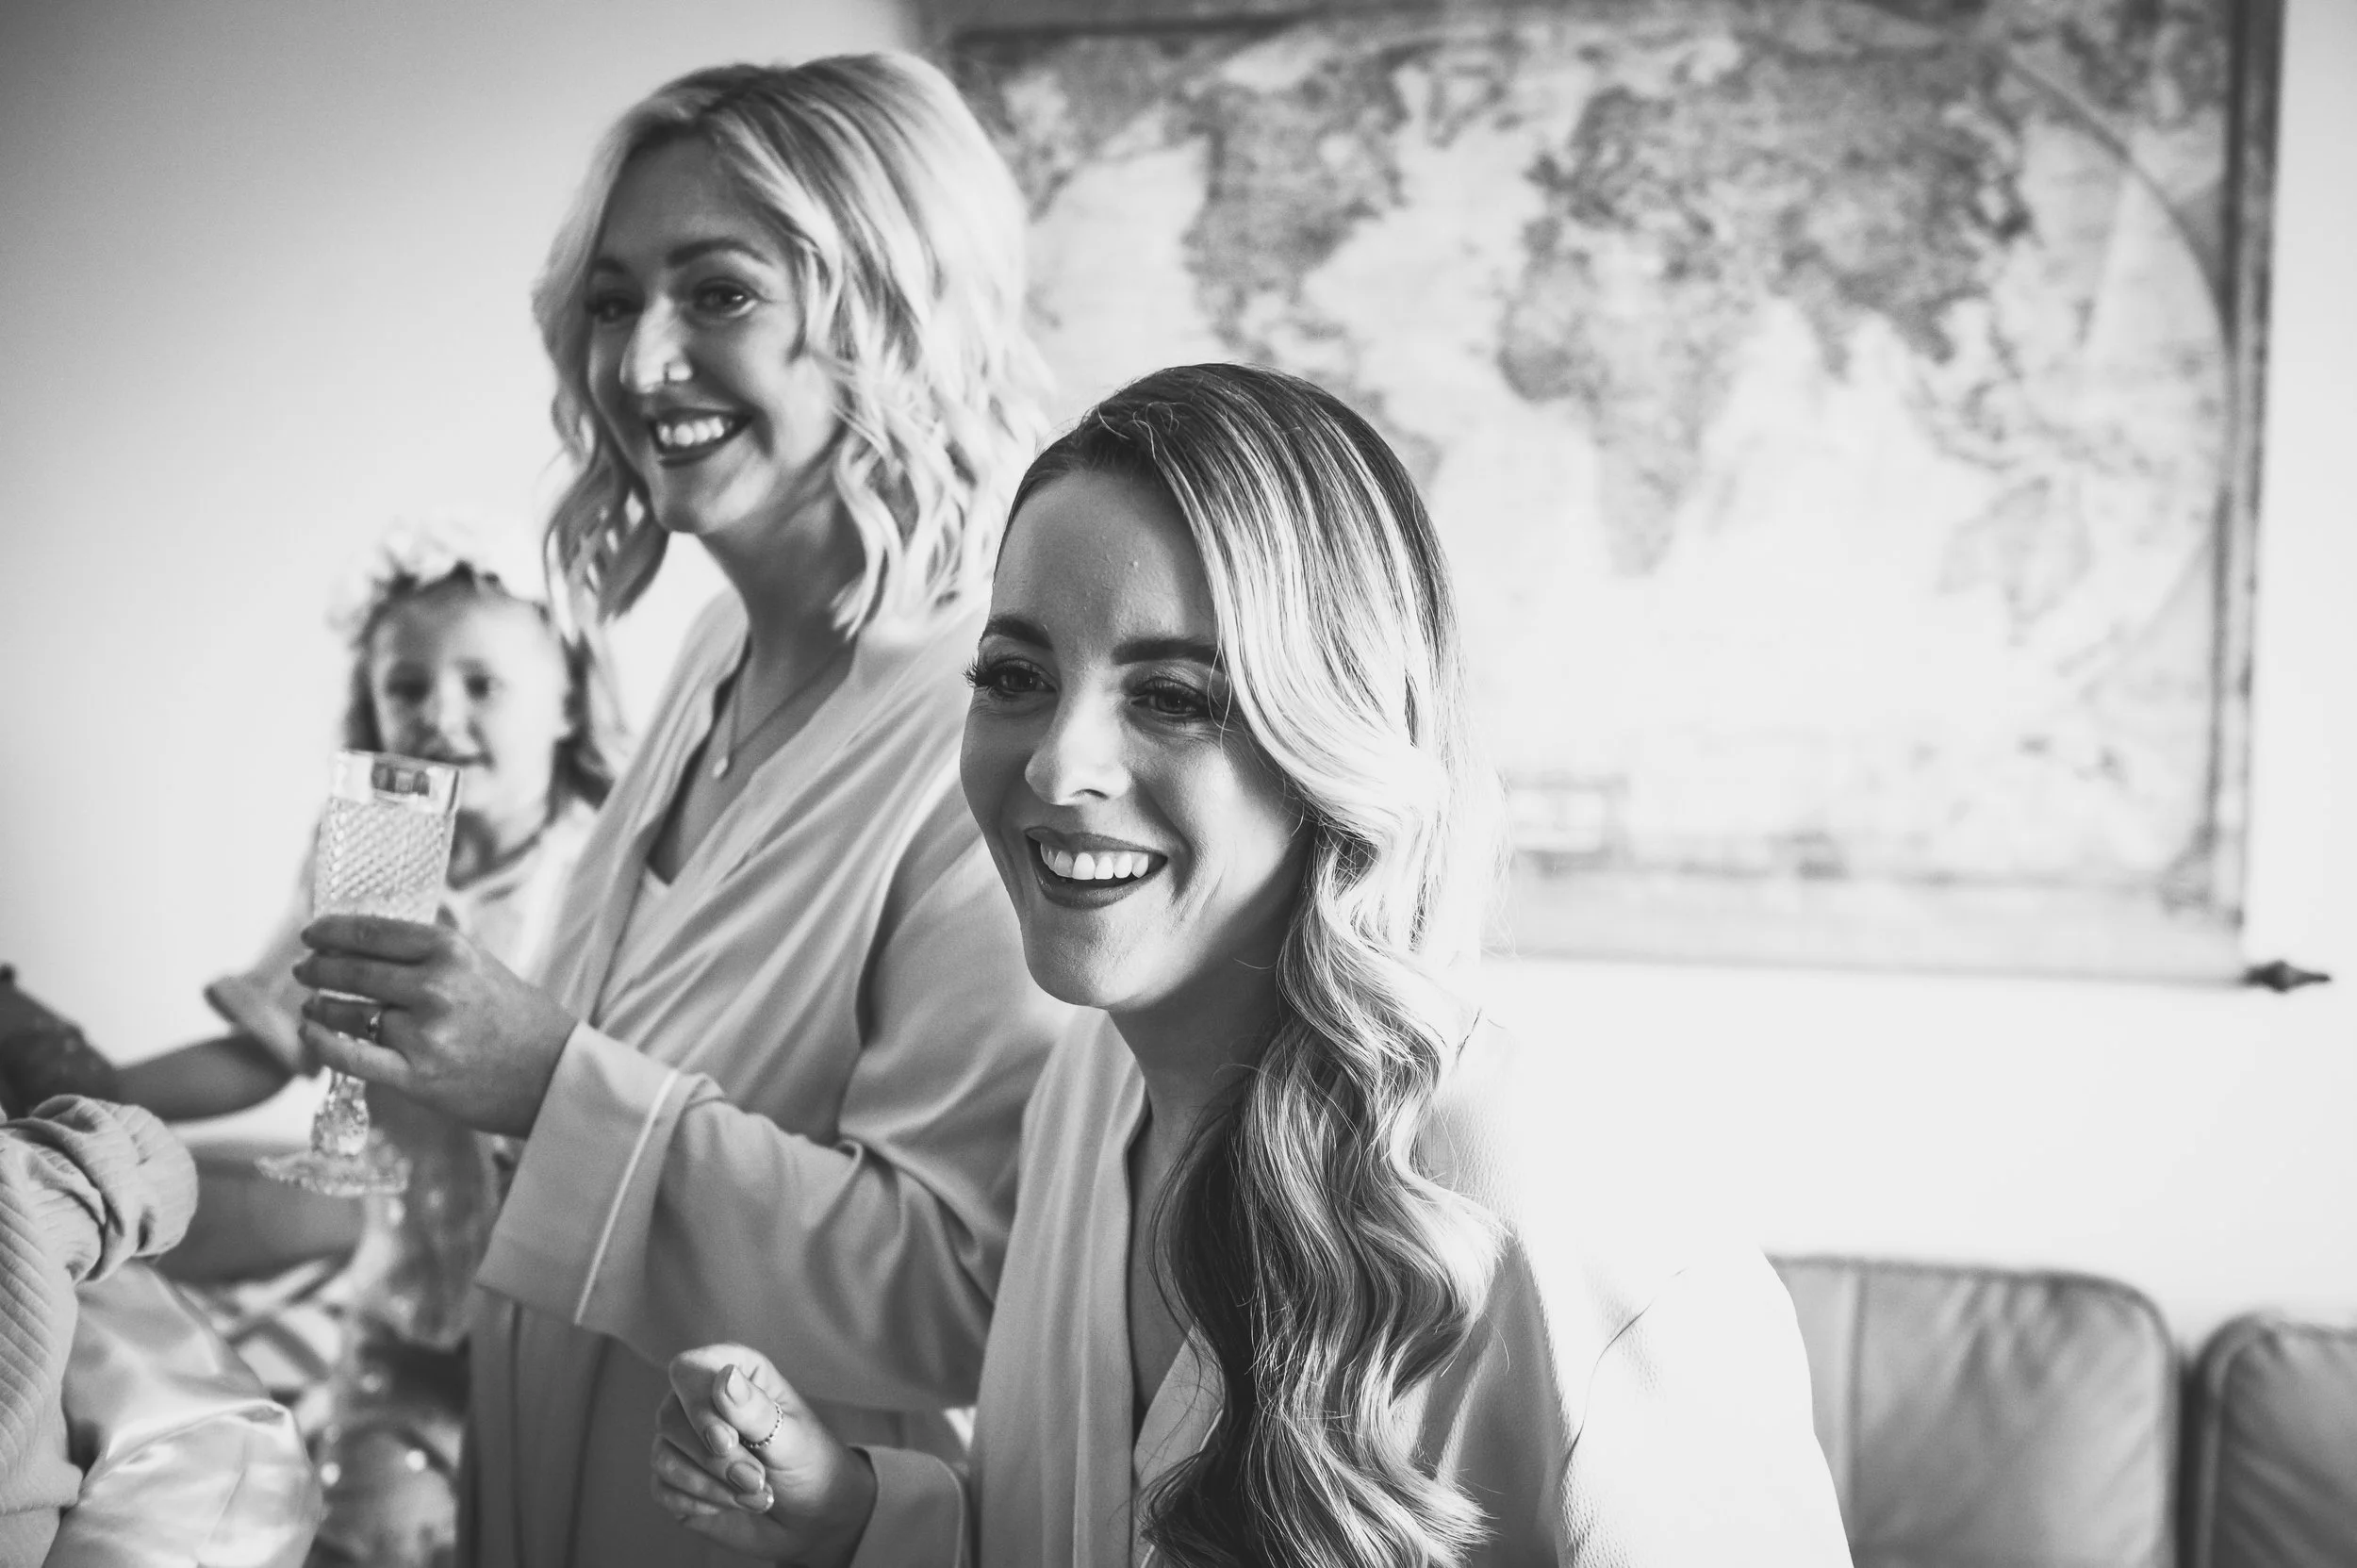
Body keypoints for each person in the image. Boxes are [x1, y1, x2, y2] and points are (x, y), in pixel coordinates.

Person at [649, 364, 1855, 1565]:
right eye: (1016, 677)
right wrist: (857, 1514)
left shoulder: (1551, 1211)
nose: (1058, 765)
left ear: (1331, 742)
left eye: (1173, 696)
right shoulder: (1085, 1096)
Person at [290, 54, 1071, 1567]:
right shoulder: (716, 650)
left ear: (892, 315)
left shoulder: (987, 727)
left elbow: (958, 1285)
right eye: (610, 300)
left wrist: (545, 1082)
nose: (641, 362)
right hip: (537, 1456)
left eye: (719, 293)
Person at [113, 514, 618, 1566]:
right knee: (361, 1536)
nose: (439, 715)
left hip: (582, 1332)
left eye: (484, 684)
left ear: (568, 699)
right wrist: (80, 1091)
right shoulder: (359, 855)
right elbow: (267, 1047)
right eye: (407, 686)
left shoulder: (612, 865)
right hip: (411, 1319)